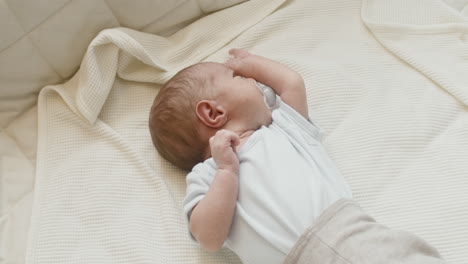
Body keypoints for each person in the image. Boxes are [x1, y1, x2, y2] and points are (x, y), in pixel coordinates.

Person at [149, 49, 446, 264]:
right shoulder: (208, 175)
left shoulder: (285, 129)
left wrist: (250, 63)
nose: (255, 82)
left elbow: (291, 83)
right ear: (213, 113)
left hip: (351, 232)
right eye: (238, 77)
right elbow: (208, 238)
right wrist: (226, 172)